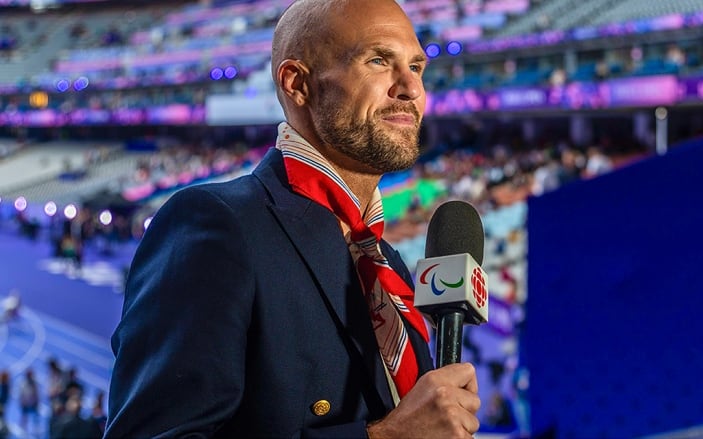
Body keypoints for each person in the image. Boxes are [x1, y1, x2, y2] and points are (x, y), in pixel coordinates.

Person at [104, 0, 481, 437]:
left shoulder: (387, 266)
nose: (410, 88)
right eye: (378, 60)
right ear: (297, 83)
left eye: (416, 67)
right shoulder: (217, 225)